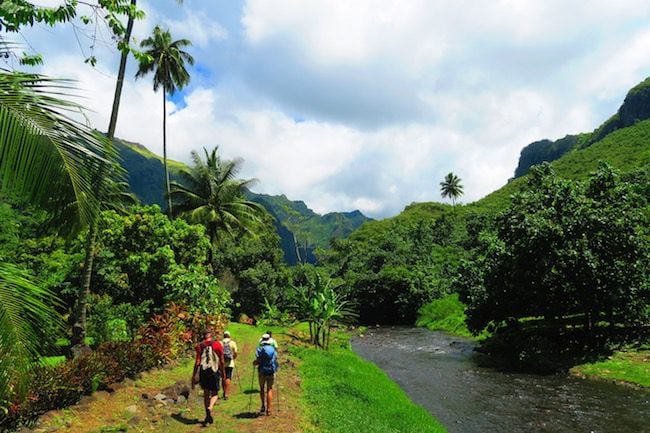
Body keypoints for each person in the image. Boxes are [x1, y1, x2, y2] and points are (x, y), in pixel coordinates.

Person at [191, 328, 225, 426]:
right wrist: (223, 372)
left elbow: (197, 362)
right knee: (215, 393)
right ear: (212, 335)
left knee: (206, 392)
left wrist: (194, 376)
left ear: (204, 335)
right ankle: (210, 407)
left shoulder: (200, 346)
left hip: (203, 372)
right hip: (214, 371)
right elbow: (222, 360)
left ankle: (207, 415)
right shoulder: (217, 344)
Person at [253, 333, 278, 416]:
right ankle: (269, 409)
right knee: (269, 389)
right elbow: (275, 359)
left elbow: (258, 360)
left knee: (262, 388)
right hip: (270, 371)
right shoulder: (273, 349)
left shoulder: (259, 349)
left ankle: (263, 406)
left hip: (262, 371)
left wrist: (255, 363)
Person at [221, 330, 238, 400]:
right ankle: (226, 393)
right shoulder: (232, 343)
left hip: (221, 363)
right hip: (230, 363)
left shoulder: (220, 343)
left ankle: (224, 391)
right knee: (228, 377)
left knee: (223, 377)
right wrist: (233, 358)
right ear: (229, 336)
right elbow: (236, 352)